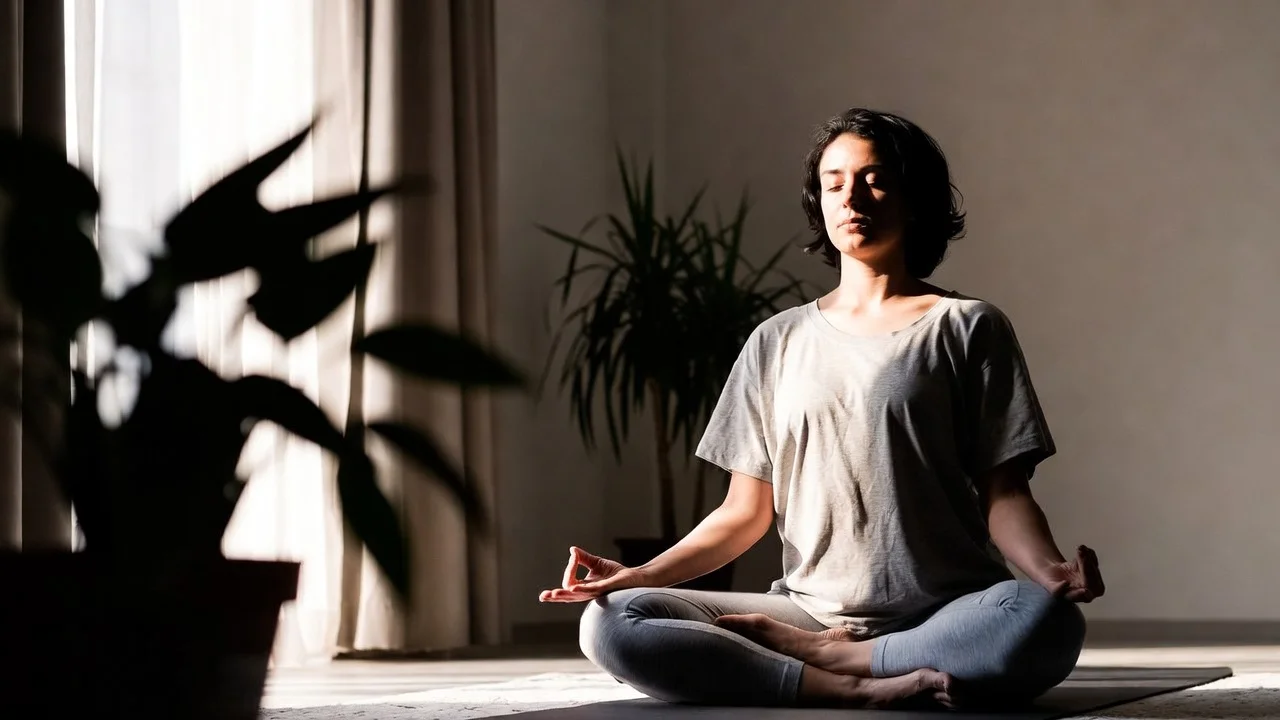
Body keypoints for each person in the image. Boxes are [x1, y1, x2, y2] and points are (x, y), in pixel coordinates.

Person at [538, 107, 1105, 710]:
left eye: (874, 180)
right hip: (807, 613)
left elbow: (1005, 493)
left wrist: (1049, 572)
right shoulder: (775, 341)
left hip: (950, 610)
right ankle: (849, 682)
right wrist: (641, 575)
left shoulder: (968, 326)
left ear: (915, 199)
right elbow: (742, 514)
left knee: (1041, 620)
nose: (851, 198)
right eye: (834, 184)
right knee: (612, 621)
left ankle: (842, 659)